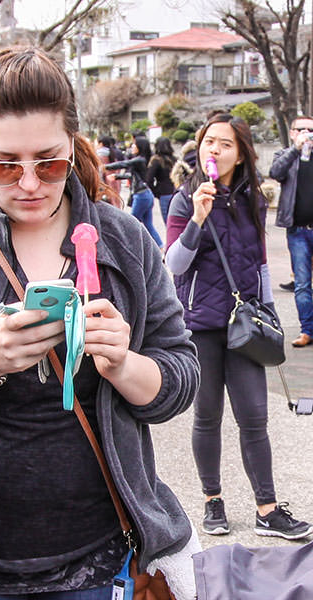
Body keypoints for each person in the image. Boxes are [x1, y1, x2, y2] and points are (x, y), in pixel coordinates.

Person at [0, 46, 201, 599]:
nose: (29, 183)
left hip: (100, 554)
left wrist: (124, 363)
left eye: (48, 161)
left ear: (73, 143)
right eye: (5, 165)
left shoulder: (122, 241)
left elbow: (179, 381)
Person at [165, 113, 313, 541]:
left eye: (225, 143)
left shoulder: (253, 200)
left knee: (254, 417)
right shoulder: (184, 198)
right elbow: (174, 264)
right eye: (209, 141)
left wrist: (269, 314)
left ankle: (267, 509)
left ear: (240, 153)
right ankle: (213, 501)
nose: (214, 149)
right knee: (207, 416)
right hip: (202, 325)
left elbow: (262, 263)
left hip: (245, 326)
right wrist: (196, 218)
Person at [269, 115, 313, 347]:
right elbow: (275, 172)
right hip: (297, 231)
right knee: (302, 282)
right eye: (302, 129)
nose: (307, 133)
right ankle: (307, 330)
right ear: (293, 132)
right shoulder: (285, 155)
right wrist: (296, 150)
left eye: (311, 129)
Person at [105, 136, 163, 248]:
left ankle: (129, 248)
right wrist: (117, 176)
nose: (132, 146)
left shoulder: (140, 160)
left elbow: (124, 164)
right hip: (145, 194)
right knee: (148, 225)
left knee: (131, 223)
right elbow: (132, 175)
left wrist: (104, 167)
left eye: (134, 144)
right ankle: (160, 247)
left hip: (142, 195)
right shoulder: (141, 160)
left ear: (140, 147)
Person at [147, 136, 177, 225]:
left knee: (168, 224)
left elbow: (149, 179)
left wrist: (156, 192)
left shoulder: (156, 160)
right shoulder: (174, 159)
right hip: (176, 191)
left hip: (164, 193)